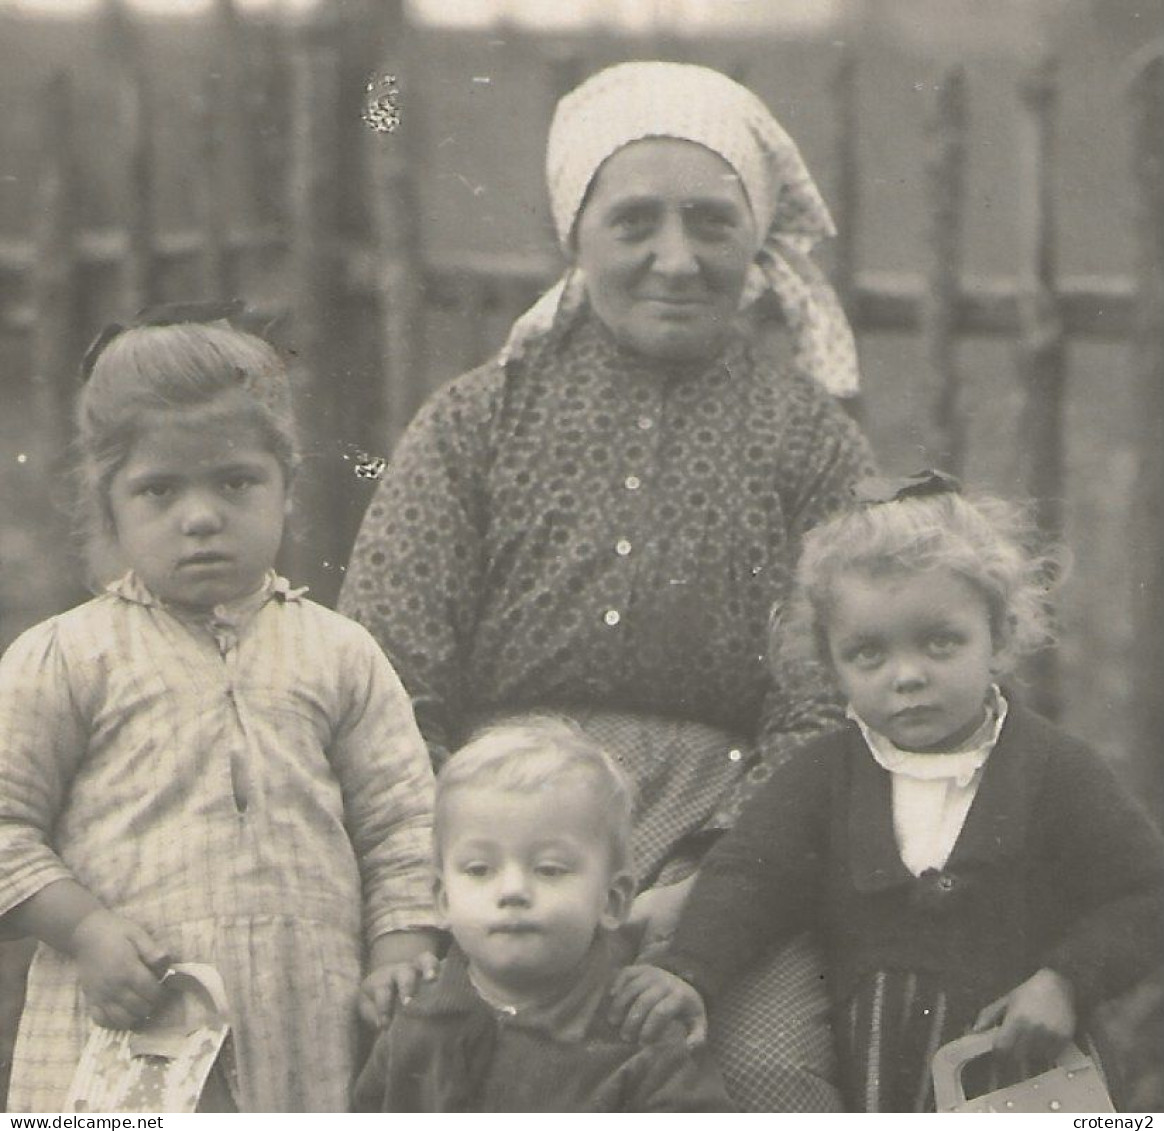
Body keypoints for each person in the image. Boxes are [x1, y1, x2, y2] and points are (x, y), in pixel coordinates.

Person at [339, 61, 875, 1111]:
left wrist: (714, 892)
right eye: (635, 221)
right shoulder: (475, 421)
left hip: (721, 842)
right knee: (443, 1070)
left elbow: (825, 698)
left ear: (755, 241)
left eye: (713, 224)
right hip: (492, 838)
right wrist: (447, 871)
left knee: (763, 1070)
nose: (676, 259)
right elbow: (387, 671)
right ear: (573, 232)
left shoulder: (811, 440)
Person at [609, 471, 1164, 1112]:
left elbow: (1145, 895)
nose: (907, 676)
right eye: (869, 654)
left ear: (1001, 636)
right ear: (830, 662)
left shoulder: (1056, 771)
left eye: (940, 643)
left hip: (1025, 1078)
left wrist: (1066, 982)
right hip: (875, 1082)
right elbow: (748, 879)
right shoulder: (822, 778)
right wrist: (690, 972)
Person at [0, 305, 439, 1112]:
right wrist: (87, 931)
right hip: (130, 1021)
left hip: (307, 1019)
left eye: (235, 481)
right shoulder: (65, 658)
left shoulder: (341, 654)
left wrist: (401, 947)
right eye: (159, 489)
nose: (200, 516)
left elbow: (402, 825)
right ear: (109, 505)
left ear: (287, 490)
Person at [353, 717, 732, 1111]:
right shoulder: (415, 1019)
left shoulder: (641, 1037)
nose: (513, 890)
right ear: (443, 900)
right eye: (480, 870)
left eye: (549, 869)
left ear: (613, 900)